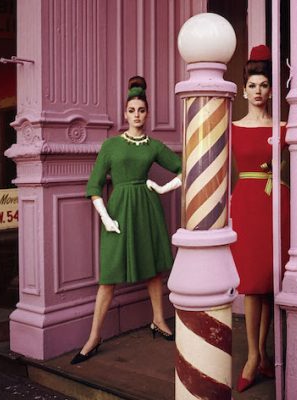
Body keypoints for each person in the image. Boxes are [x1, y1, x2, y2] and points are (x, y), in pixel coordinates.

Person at [70, 76, 182, 365]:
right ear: (125, 113)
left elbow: (186, 167)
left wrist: (163, 187)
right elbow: (94, 186)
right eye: (132, 110)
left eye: (141, 110)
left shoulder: (153, 146)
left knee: (153, 270)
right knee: (108, 277)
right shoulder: (111, 146)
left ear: (147, 113)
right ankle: (94, 337)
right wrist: (106, 217)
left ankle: (158, 319)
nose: (136, 115)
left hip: (146, 210)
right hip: (117, 212)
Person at [231, 45, 290, 392]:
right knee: (252, 284)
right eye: (253, 85)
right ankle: (252, 356)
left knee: (269, 283)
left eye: (264, 85)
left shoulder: (282, 126)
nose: (258, 91)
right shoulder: (234, 126)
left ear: (270, 90)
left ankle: (265, 356)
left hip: (276, 202)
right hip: (247, 203)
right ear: (244, 90)